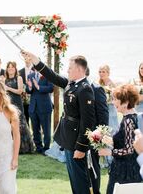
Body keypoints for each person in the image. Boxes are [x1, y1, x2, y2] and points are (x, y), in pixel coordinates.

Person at [22, 51, 95, 194]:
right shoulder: (71, 84)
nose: (67, 70)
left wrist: (81, 147)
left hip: (76, 142)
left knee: (80, 181)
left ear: (79, 70)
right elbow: (52, 76)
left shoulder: (85, 89)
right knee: (74, 179)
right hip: (68, 140)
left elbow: (87, 121)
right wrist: (35, 60)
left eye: (70, 68)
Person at [98, 84, 142, 194]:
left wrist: (109, 152)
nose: (113, 103)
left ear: (126, 102)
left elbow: (129, 150)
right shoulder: (130, 117)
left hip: (125, 171)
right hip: (126, 168)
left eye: (116, 99)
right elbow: (125, 141)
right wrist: (108, 140)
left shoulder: (128, 121)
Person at [86, 68, 109, 194]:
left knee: (93, 167)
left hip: (94, 136)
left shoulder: (97, 88)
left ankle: (95, 191)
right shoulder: (75, 87)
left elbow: (103, 115)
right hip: (79, 136)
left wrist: (99, 138)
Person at [5, 61, 34, 154]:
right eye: (9, 67)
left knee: (19, 124)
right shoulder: (4, 79)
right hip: (7, 105)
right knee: (8, 125)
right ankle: (11, 147)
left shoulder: (19, 78)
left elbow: (20, 91)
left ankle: (23, 148)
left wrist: (8, 88)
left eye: (12, 67)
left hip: (17, 104)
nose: (10, 69)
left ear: (15, 69)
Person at [26, 68, 53, 155]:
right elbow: (28, 90)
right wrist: (30, 87)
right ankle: (38, 147)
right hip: (33, 107)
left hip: (45, 106)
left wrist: (38, 87)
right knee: (35, 129)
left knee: (46, 129)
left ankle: (46, 148)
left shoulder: (47, 74)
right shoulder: (30, 76)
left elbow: (51, 88)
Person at [98, 65, 119, 135]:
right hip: (100, 108)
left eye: (103, 72)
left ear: (108, 73)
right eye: (100, 72)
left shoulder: (112, 84)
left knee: (112, 128)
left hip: (110, 108)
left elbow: (116, 98)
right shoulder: (98, 83)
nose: (101, 73)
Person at [19, 58, 33, 125]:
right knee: (25, 119)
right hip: (24, 100)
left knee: (35, 120)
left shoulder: (36, 70)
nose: (26, 60)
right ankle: (28, 134)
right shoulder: (20, 72)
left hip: (34, 99)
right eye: (25, 59)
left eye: (28, 58)